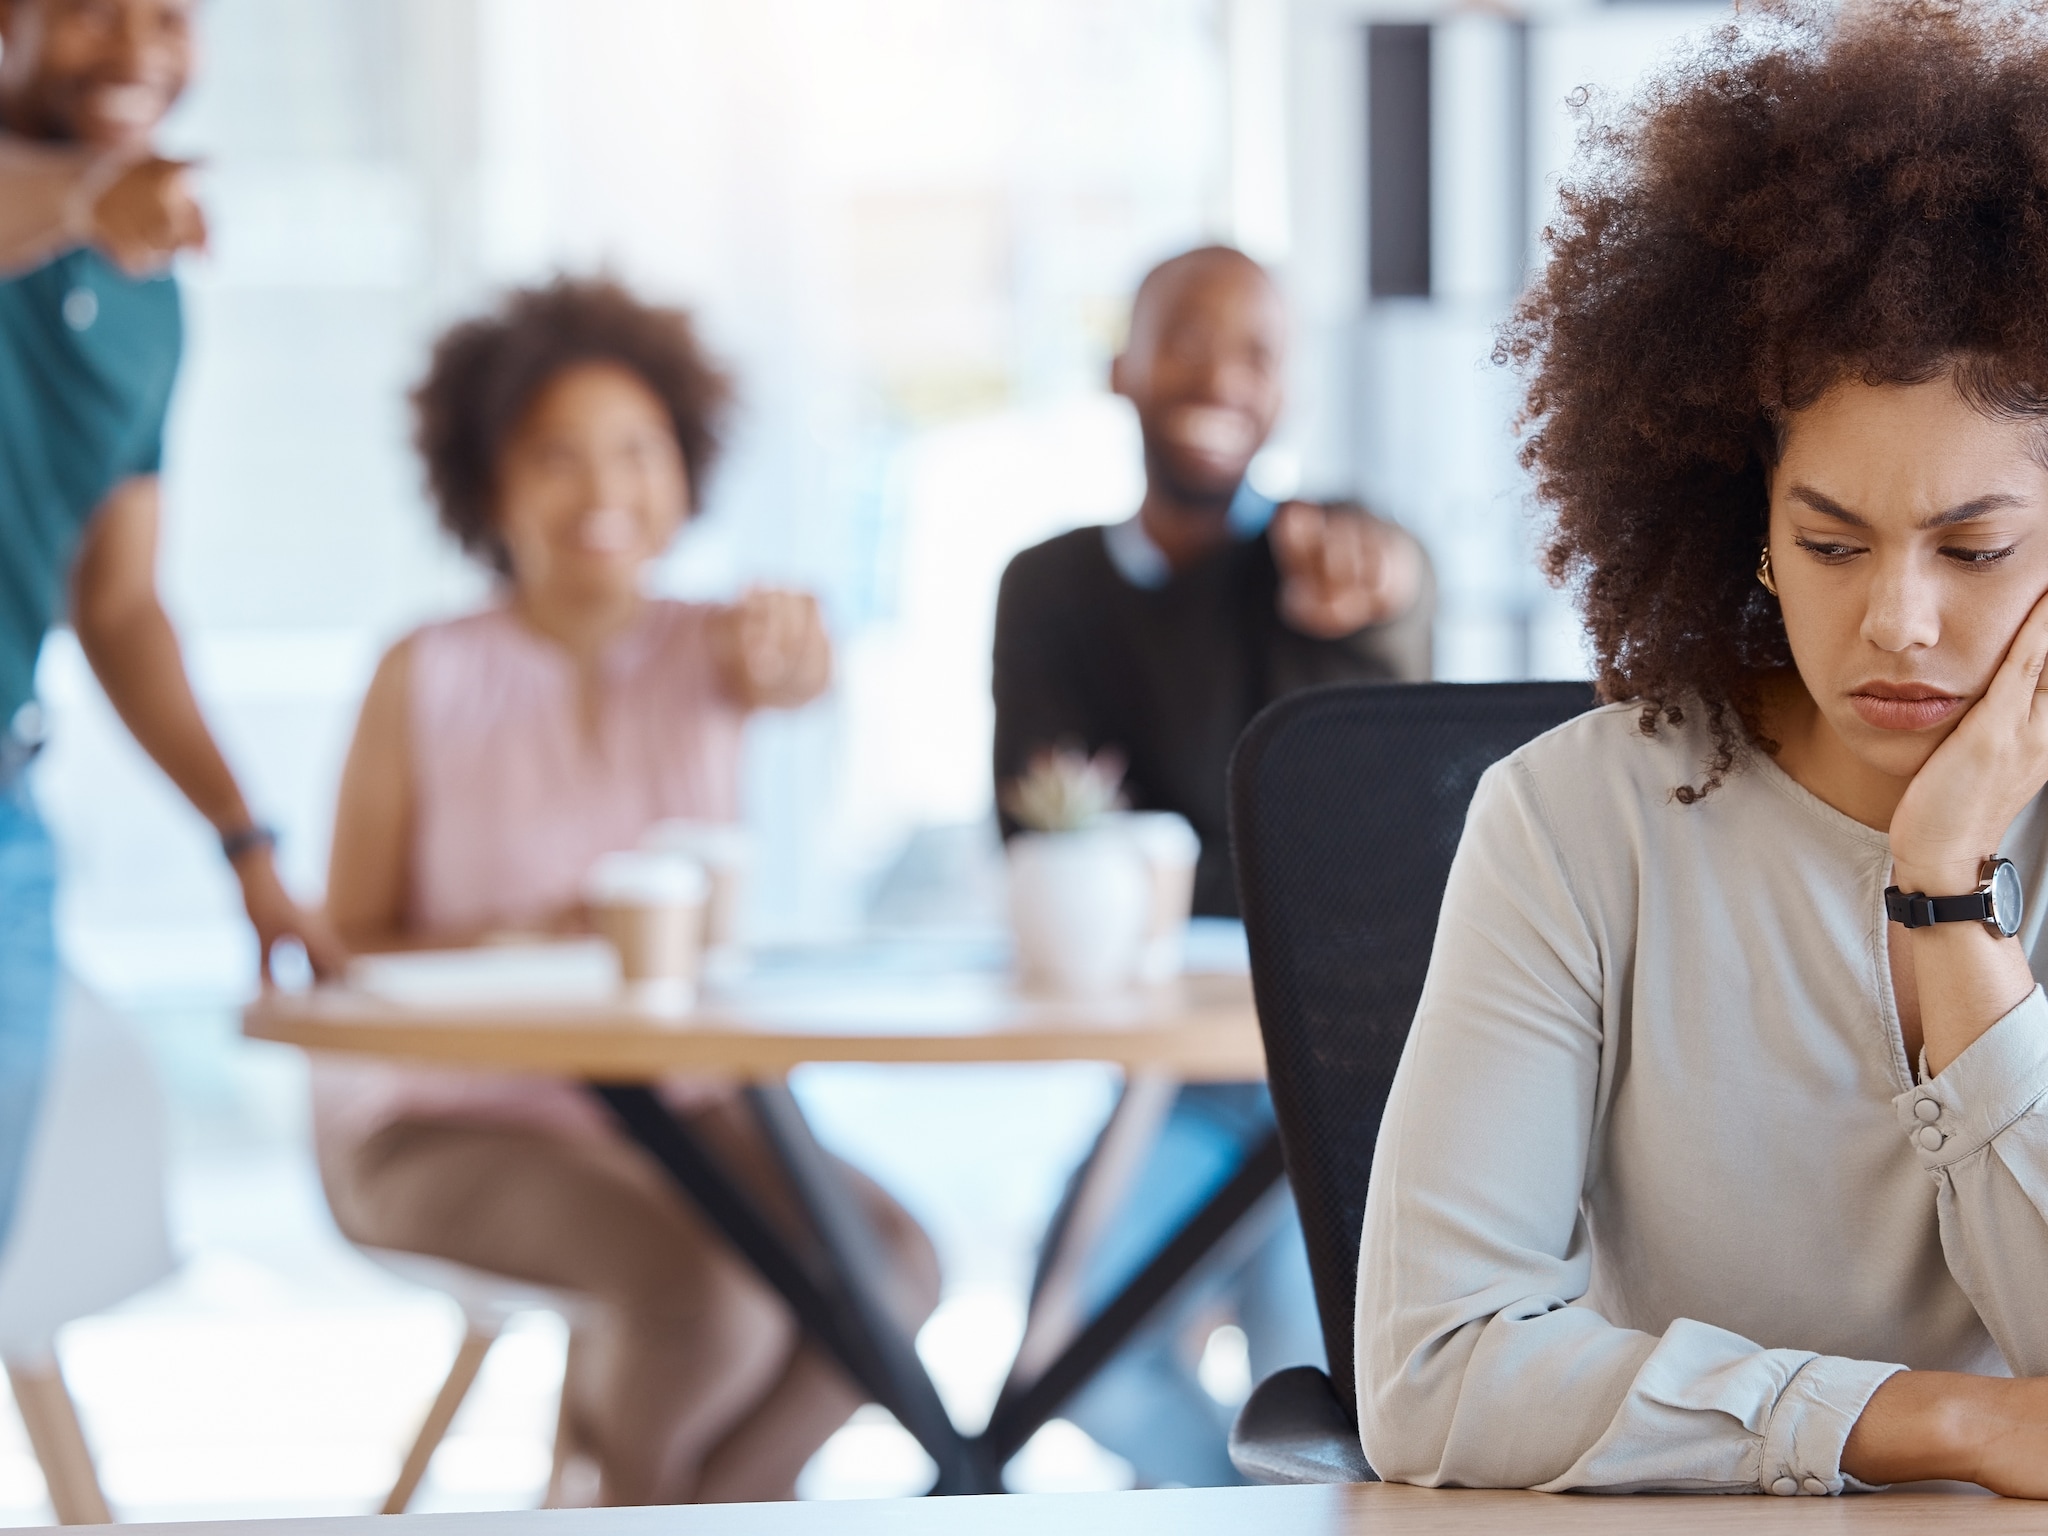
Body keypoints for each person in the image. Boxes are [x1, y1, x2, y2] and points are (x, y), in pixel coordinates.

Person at [1360, 0, 2048, 1498]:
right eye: (1832, 541)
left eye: (1977, 548)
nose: (1901, 622)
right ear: (1751, 524)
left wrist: (1946, 892)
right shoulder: (1572, 824)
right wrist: (1934, 1419)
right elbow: (1432, 1371)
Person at [317, 277, 939, 1506]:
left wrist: (797, 659)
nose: (602, 490)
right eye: (556, 456)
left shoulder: (709, 650)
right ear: (488, 482)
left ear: (683, 473)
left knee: (893, 1268)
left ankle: (681, 1514)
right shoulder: (422, 672)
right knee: (706, 1299)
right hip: (445, 1119)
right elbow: (350, 944)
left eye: (634, 453)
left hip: (682, 1102)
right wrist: (513, 940)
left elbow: (788, 669)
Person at [992, 245, 1433, 1486]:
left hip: (1338, 1084)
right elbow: (1040, 836)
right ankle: (1220, 1509)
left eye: (1256, 352)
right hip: (1174, 1077)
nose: (1219, 375)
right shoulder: (1052, 587)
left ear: (1286, 393)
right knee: (1074, 1347)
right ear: (1119, 367)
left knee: (1323, 1402)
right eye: (1185, 337)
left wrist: (1377, 590)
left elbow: (1383, 792)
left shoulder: (1332, 558)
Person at [0, 0, 341, 1254]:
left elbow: (121, 606)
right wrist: (88, 196)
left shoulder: (147, 297)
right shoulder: (98, 206)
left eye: (168, 15)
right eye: (92, 12)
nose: (137, 50)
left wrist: (247, 847)